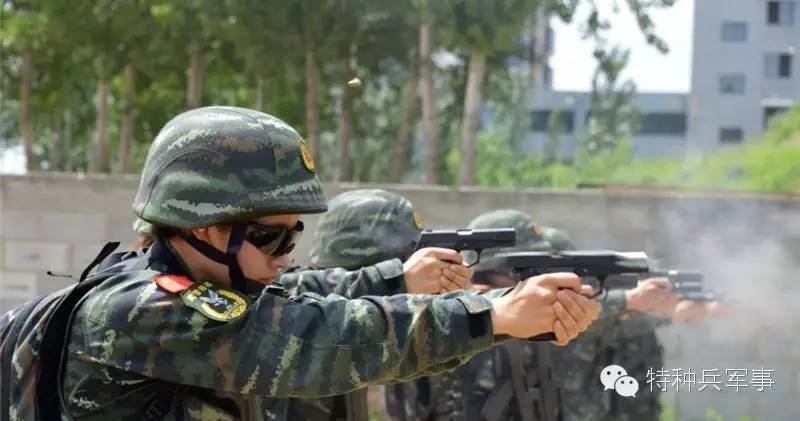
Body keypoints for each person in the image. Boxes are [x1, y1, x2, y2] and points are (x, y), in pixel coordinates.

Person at [1, 106, 599, 420]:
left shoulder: (185, 281)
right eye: (270, 239)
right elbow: (319, 339)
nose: (284, 260)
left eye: (293, 238)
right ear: (205, 224)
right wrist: (492, 315)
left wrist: (394, 277)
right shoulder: (146, 309)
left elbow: (308, 291)